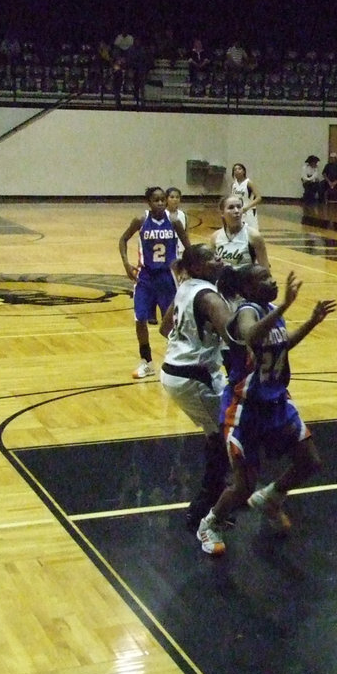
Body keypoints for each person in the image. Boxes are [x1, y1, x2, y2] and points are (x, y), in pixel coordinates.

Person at [193, 266, 335, 556]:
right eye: (264, 279)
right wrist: (284, 304)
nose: (272, 281)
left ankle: (271, 498)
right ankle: (210, 523)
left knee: (309, 461)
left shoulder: (269, 310)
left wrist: (311, 322)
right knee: (243, 486)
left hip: (277, 402)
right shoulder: (247, 311)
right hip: (245, 409)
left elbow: (281, 346)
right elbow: (252, 337)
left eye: (271, 276)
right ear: (248, 288)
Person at [159, 244, 234, 534]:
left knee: (216, 434)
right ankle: (204, 509)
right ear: (196, 267)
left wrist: (195, 335)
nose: (219, 259)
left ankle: (217, 497)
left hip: (178, 370)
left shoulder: (186, 286)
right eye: (211, 258)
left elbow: (165, 328)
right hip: (194, 375)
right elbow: (236, 335)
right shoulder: (208, 296)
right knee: (223, 437)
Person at [119, 186, 191, 379]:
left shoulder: (174, 221)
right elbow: (123, 239)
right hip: (146, 276)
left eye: (162, 200)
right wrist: (126, 264)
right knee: (140, 318)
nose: (160, 203)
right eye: (156, 200)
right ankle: (147, 361)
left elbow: (189, 247)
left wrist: (186, 269)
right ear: (148, 202)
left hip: (167, 277)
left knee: (172, 323)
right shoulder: (141, 220)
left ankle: (176, 361)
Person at [212, 195, 269, 270]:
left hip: (245, 280)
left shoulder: (254, 236)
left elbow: (265, 269)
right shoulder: (215, 237)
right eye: (231, 207)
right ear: (222, 213)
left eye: (239, 207)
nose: (236, 211)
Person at [229, 162, 261, 229]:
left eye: (239, 169)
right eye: (235, 169)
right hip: (237, 212)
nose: (237, 171)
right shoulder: (233, 184)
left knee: (251, 233)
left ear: (244, 171)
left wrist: (247, 207)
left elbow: (258, 198)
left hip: (249, 212)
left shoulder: (249, 183)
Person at [164, 186, 187, 257]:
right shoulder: (161, 214)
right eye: (172, 197)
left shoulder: (183, 215)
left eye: (177, 197)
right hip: (166, 252)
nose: (175, 199)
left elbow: (186, 234)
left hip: (181, 251)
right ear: (166, 199)